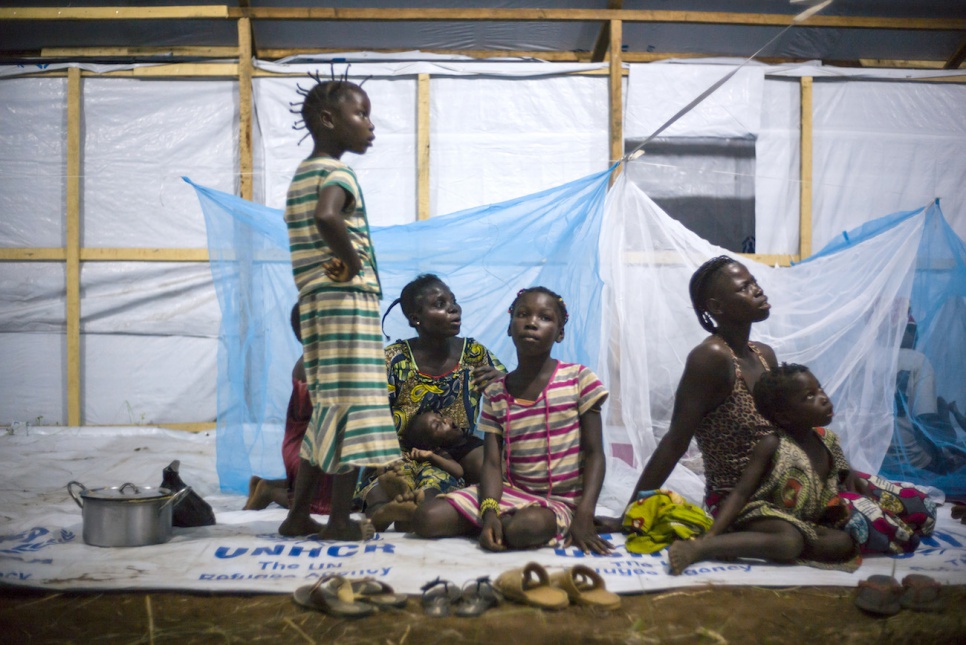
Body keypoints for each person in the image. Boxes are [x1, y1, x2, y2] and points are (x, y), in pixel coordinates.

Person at [277, 71, 401, 540]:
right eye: (361, 114)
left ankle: (297, 515)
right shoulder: (337, 172)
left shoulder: (300, 176)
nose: (370, 125)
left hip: (318, 304)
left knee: (329, 405)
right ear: (329, 120)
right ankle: (340, 520)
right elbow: (328, 216)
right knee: (355, 405)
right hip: (347, 303)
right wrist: (350, 262)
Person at [413, 287, 613, 554]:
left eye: (545, 318)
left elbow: (595, 454)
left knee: (524, 528)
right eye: (522, 314)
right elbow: (493, 464)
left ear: (560, 333)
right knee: (426, 518)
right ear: (509, 328)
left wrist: (585, 513)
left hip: (559, 500)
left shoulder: (579, 380)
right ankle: (496, 524)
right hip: (508, 492)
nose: (531, 322)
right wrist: (490, 513)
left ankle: (505, 525)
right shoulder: (497, 392)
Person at [613, 257, 778, 526]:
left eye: (755, 283)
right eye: (744, 287)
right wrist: (630, 512)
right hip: (737, 498)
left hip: (782, 483)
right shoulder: (711, 357)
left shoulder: (764, 355)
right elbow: (675, 441)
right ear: (716, 307)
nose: (757, 290)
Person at [668, 364, 859, 575]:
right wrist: (713, 532)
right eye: (809, 396)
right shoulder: (773, 444)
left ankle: (752, 545)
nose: (823, 398)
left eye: (820, 389)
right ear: (785, 416)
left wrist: (851, 502)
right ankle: (702, 547)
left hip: (803, 522)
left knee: (842, 542)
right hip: (765, 515)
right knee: (789, 540)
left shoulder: (828, 441)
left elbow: (845, 478)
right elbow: (741, 492)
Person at [356, 274, 505, 529]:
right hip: (398, 445)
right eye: (440, 304)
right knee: (383, 480)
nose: (453, 308)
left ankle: (422, 508)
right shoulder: (394, 359)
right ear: (416, 318)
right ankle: (386, 509)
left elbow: (513, 396)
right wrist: (385, 455)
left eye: (453, 301)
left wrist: (504, 381)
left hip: (456, 443)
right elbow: (369, 417)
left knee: (494, 468)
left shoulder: (474, 353)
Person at [243, 303, 334, 514]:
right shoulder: (313, 367)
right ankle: (269, 492)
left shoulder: (312, 361)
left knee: (319, 485)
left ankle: (265, 483)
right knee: (321, 504)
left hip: (302, 444)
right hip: (305, 448)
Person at [364, 410, 486, 531]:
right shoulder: (438, 451)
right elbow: (458, 472)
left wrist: (432, 456)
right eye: (437, 425)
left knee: (432, 484)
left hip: (429, 471)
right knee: (402, 478)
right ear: (430, 445)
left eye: (441, 416)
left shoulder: (439, 453)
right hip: (408, 464)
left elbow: (458, 471)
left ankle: (405, 510)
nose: (445, 420)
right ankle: (385, 512)